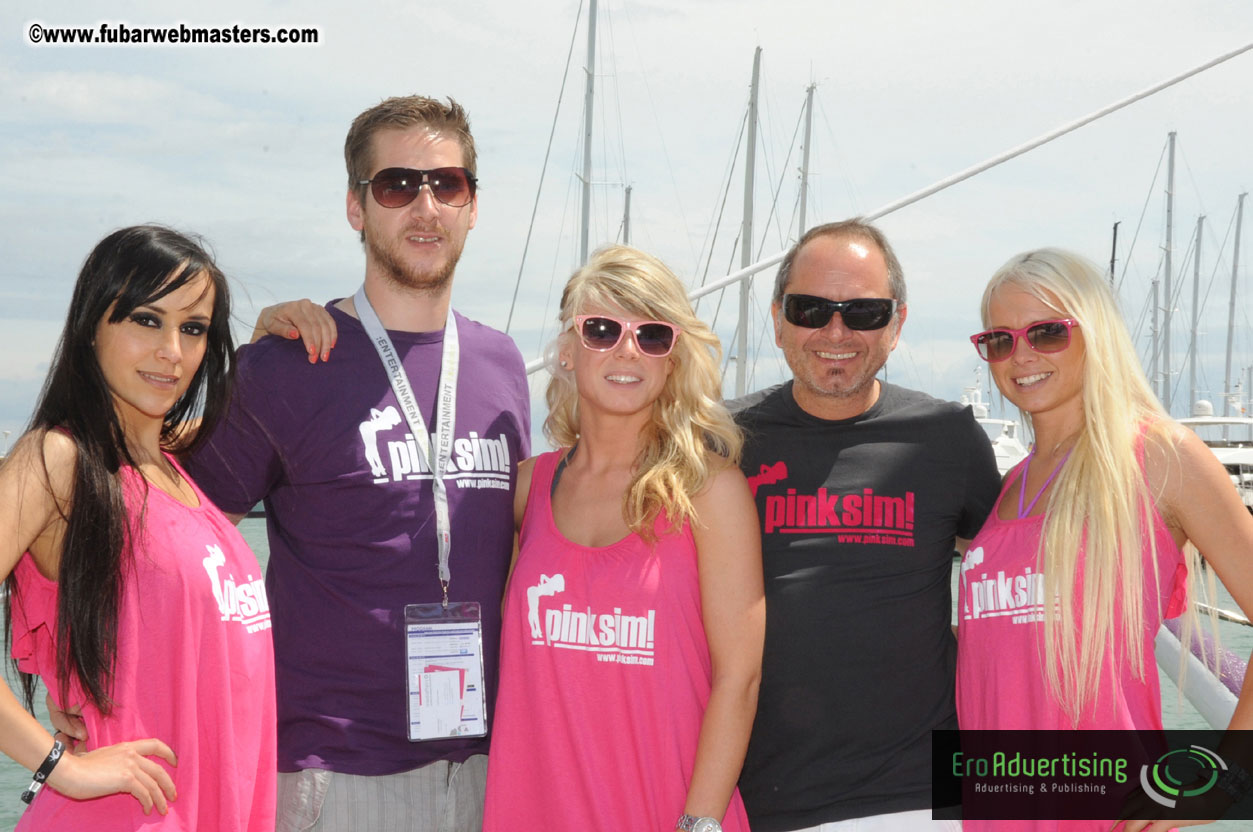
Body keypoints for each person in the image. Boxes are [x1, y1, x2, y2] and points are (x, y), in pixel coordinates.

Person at [183, 96, 530, 832]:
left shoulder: (501, 364)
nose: (425, 206)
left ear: (473, 206)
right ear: (356, 206)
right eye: (397, 185)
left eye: (448, 184)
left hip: (487, 766)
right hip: (333, 772)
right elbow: (172, 535)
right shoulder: (287, 364)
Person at [956, 248, 1253, 831]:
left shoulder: (1159, 457)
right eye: (999, 340)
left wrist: (1221, 780)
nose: (1022, 356)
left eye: (1047, 332)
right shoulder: (1009, 487)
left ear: (1096, 335)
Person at [0, 225, 275, 830]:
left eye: (194, 328)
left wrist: (268, 343)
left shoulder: (174, 472)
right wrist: (60, 768)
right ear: (92, 326)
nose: (172, 350)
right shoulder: (57, 460)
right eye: (147, 320)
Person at [481, 245, 764, 832]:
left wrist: (699, 824)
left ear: (672, 358)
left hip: (667, 815)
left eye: (652, 335)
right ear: (565, 350)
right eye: (602, 330)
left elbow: (740, 677)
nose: (626, 350)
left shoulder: (711, 491)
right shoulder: (527, 487)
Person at [731, 219, 1002, 831]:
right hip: (755, 800)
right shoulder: (721, 439)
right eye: (810, 308)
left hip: (919, 799)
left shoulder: (948, 438)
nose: (836, 331)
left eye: (864, 312)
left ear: (897, 324)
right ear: (778, 319)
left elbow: (1024, 569)